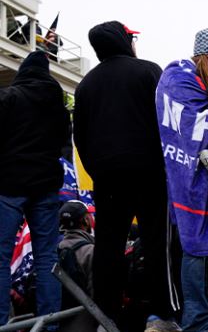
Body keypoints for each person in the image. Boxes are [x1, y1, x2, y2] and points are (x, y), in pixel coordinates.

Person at [73, 21, 179, 331]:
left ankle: (108, 315)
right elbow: (168, 122)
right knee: (157, 243)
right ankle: (163, 313)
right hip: (149, 172)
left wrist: (99, 169)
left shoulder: (86, 84)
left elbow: (80, 136)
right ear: (123, 40)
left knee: (109, 247)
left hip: (107, 177)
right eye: (131, 38)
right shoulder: (148, 71)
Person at [156, 27, 208, 332]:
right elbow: (187, 128)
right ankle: (197, 317)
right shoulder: (178, 80)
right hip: (189, 177)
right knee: (196, 247)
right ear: (207, 54)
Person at [0, 51, 69, 329]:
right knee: (47, 258)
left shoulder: (9, 98)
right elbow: (64, 141)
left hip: (9, 184)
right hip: (46, 186)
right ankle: (48, 324)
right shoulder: (58, 105)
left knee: (1, 256)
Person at [57, 200, 97, 332]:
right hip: (84, 323)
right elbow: (96, 297)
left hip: (56, 320)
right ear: (85, 221)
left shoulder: (52, 251)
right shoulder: (91, 251)